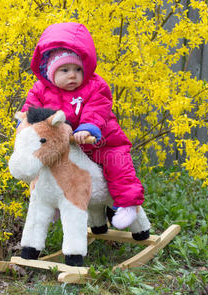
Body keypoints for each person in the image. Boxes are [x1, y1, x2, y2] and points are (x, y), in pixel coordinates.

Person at [20, 22, 149, 237]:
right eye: (65, 70)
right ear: (51, 72)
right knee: (42, 165)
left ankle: (126, 203)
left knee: (117, 163)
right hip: (65, 144)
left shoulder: (95, 85)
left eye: (78, 69)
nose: (73, 75)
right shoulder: (39, 90)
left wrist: (87, 128)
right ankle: (51, 205)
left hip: (101, 139)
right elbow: (30, 111)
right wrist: (25, 126)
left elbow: (97, 108)